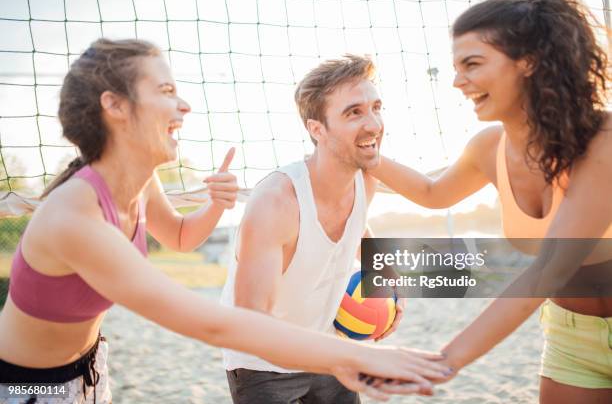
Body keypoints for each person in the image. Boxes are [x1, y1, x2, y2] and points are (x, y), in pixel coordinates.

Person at [0, 38, 450, 404]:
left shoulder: (135, 184)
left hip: (91, 369)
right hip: (24, 384)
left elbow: (178, 236)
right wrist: (359, 356)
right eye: (166, 92)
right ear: (115, 106)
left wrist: (215, 204)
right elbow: (217, 324)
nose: (185, 106)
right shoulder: (75, 219)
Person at [368, 0, 612, 402]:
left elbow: (549, 269)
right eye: (456, 68)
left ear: (529, 61)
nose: (458, 82)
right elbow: (433, 193)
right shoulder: (487, 148)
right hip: (572, 337)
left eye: (473, 64)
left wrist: (442, 361)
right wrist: (365, 155)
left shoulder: (603, 142)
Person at [219, 54, 431, 404]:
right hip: (262, 362)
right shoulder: (276, 202)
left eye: (376, 107)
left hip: (327, 347)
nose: (374, 123)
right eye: (354, 112)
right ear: (317, 129)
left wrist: (385, 274)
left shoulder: (366, 177)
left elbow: (359, 225)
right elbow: (251, 323)